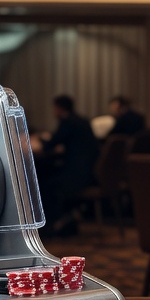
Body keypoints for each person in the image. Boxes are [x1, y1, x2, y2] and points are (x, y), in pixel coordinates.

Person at [38, 94, 99, 237]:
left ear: (59, 108)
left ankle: (52, 225)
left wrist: (40, 140)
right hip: (89, 173)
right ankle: (66, 219)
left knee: (45, 184)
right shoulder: (82, 121)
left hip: (76, 177)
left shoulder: (68, 122)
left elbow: (51, 144)